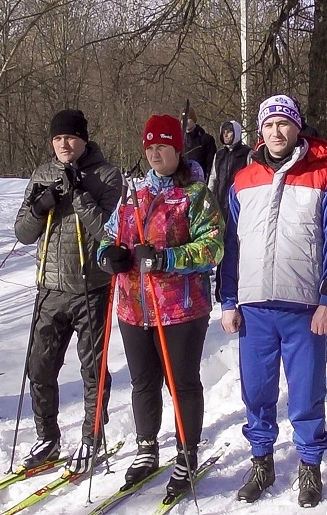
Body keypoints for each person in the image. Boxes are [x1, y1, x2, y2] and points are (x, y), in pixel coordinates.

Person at [220, 94, 327, 508]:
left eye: (284, 123)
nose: (276, 131)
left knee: (306, 392)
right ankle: (262, 462)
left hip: (304, 308)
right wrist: (228, 300)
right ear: (259, 131)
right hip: (254, 308)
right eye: (269, 124)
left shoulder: (324, 177)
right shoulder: (243, 180)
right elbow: (230, 246)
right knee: (257, 391)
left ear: (297, 128)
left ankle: (310, 464)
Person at [97, 114, 224, 496]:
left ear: (177, 150)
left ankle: (186, 453)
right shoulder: (134, 195)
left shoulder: (195, 195)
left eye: (162, 147)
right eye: (150, 147)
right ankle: (147, 448)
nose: (155, 154)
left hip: (180, 309)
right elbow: (109, 236)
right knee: (143, 383)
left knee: (181, 383)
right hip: (133, 308)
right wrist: (109, 257)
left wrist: (167, 259)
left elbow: (213, 246)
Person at [13, 109, 122, 472]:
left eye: (71, 137)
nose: (64, 144)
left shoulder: (107, 175)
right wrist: (39, 207)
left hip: (91, 289)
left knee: (93, 371)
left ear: (83, 140)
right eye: (58, 138)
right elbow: (22, 233)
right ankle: (47, 437)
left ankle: (92, 437)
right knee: (39, 368)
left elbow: (110, 232)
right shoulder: (43, 173)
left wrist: (79, 195)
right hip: (49, 289)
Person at [210, 120, 250, 300]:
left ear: (237, 133)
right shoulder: (219, 155)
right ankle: (221, 289)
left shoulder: (247, 154)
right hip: (220, 206)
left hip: (239, 206)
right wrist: (209, 200)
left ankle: (240, 286)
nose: (226, 135)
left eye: (230, 132)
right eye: (224, 132)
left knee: (236, 246)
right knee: (221, 246)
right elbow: (213, 178)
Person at [182, 106, 217, 182]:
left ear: (193, 120)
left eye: (188, 118)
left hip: (201, 181)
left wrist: (208, 182)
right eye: (183, 119)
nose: (185, 121)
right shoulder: (179, 140)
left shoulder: (206, 139)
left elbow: (211, 166)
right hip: (182, 182)